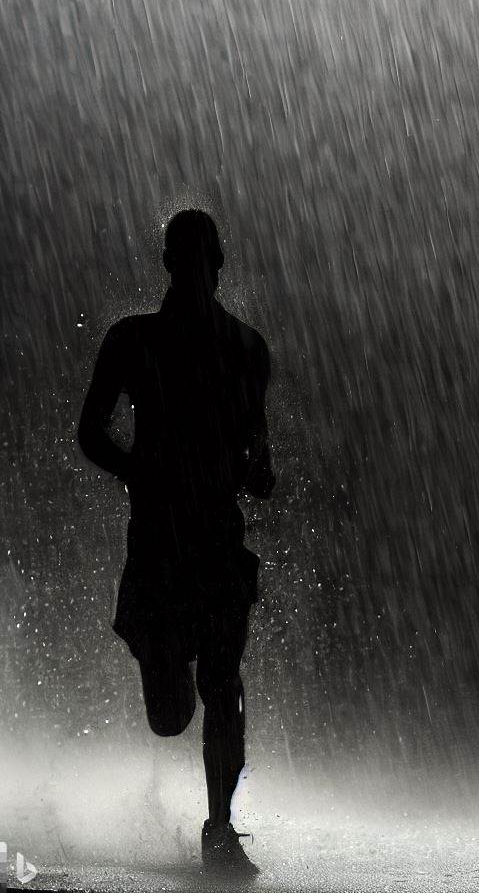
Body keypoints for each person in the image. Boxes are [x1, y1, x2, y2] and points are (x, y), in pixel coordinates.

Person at [78, 209, 274, 877]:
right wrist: (137, 470)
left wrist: (254, 470)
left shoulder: (246, 349)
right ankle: (163, 671)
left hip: (218, 544)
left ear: (217, 265)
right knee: (170, 716)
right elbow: (90, 431)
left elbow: (259, 451)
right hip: (159, 547)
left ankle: (219, 828)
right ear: (170, 265)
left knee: (224, 685)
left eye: (202, 260)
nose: (193, 272)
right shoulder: (133, 342)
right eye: (183, 260)